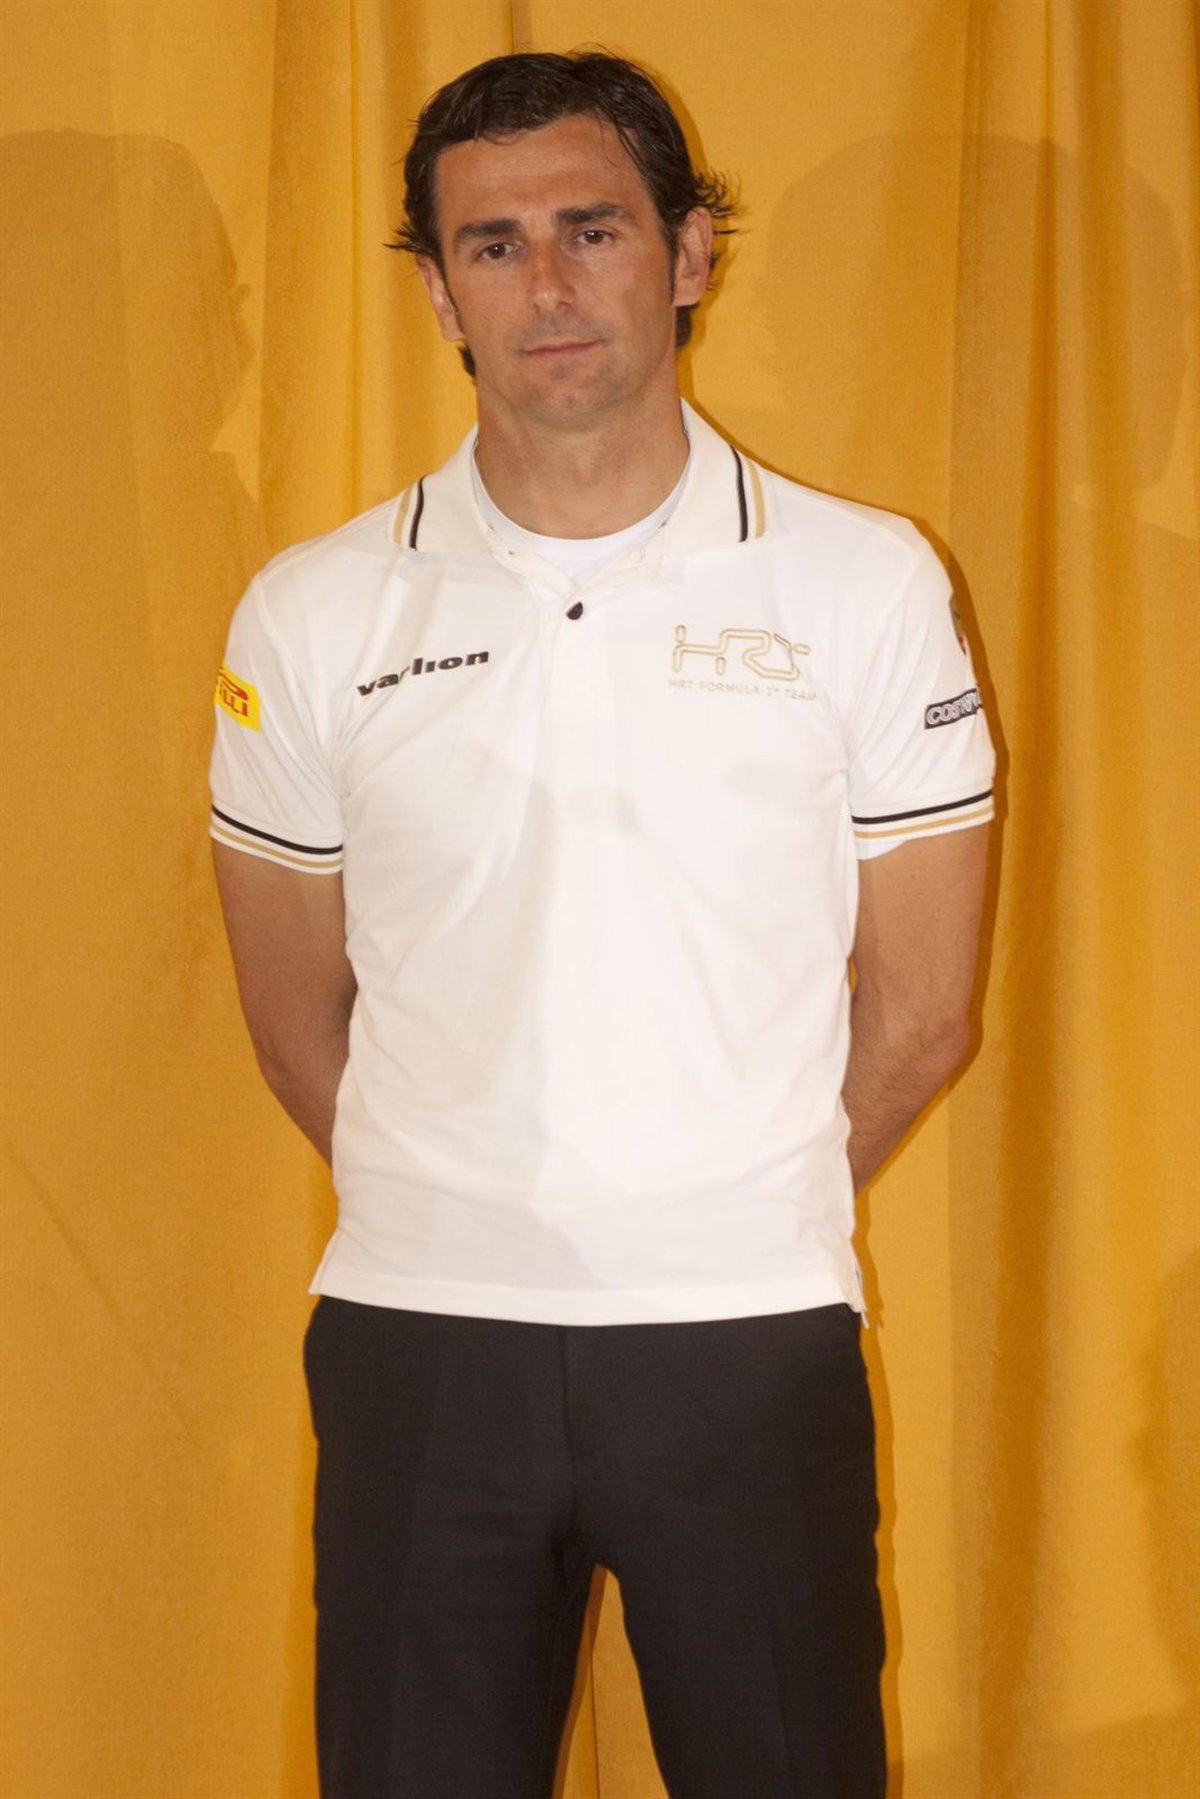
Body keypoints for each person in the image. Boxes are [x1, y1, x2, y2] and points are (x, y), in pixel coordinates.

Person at [209, 49, 995, 1799]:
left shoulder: (863, 583)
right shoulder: (311, 611)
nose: (548, 287)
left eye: (594, 229)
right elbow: (289, 1015)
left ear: (690, 252)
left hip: (750, 1339)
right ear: (437, 293)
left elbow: (926, 1008)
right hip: (419, 1343)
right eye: (492, 247)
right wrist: (472, 1200)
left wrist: (719, 1200)